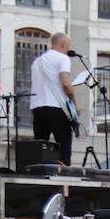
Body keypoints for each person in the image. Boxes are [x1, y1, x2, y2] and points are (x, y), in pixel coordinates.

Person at [29, 32, 78, 165]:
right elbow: (66, 84)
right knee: (64, 149)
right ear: (63, 44)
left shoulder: (37, 62)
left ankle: (39, 180)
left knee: (39, 150)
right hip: (57, 108)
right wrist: (75, 104)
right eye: (68, 46)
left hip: (38, 108)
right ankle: (64, 180)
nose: (68, 49)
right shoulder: (62, 58)